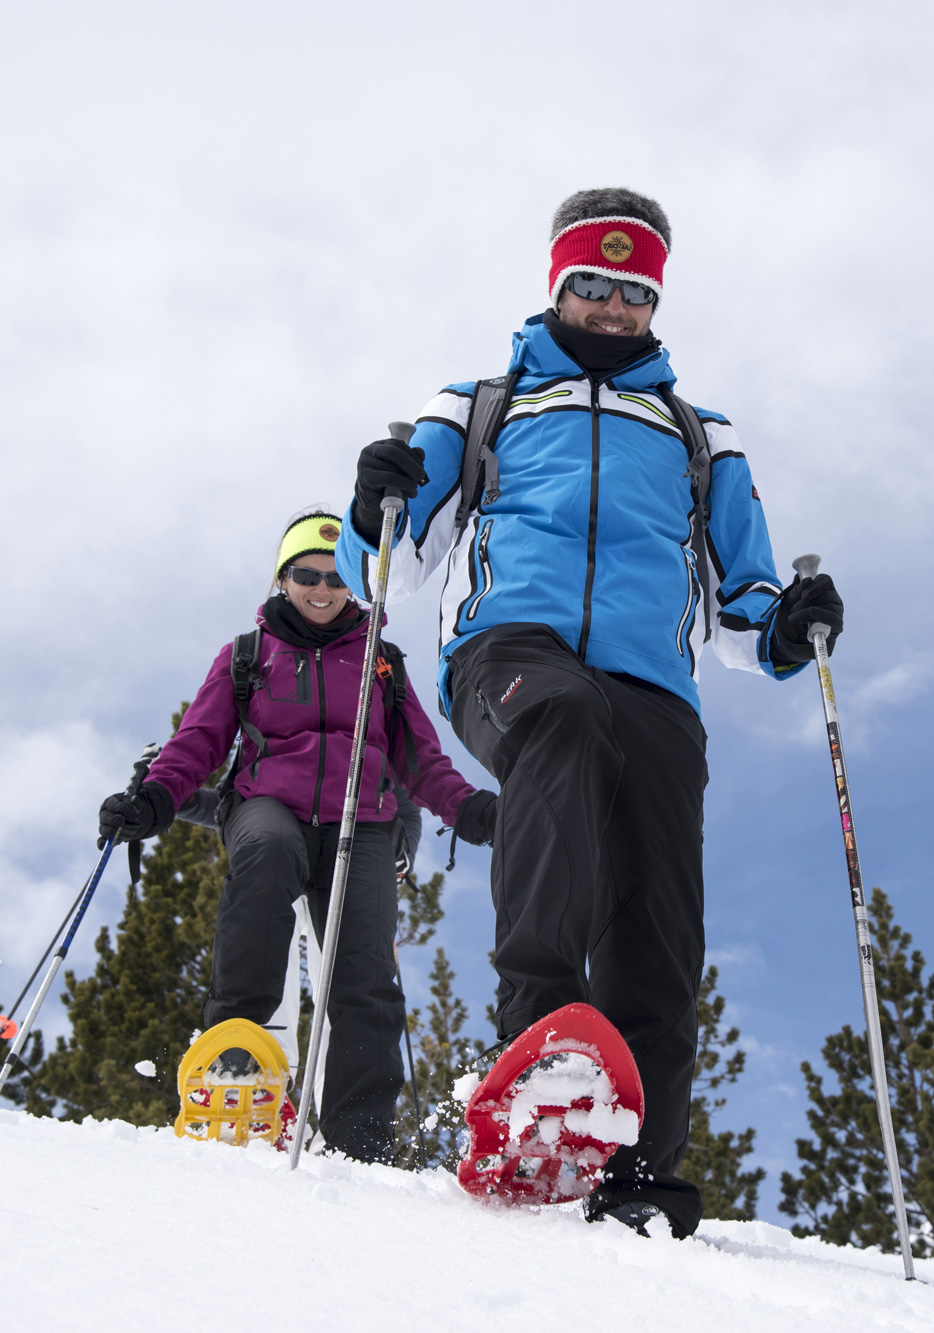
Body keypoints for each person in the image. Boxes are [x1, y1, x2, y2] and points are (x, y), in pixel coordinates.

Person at [336, 188, 844, 1235]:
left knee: (656, 913)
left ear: (653, 304)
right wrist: (368, 505)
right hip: (506, 652)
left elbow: (741, 599)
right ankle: (536, 1041)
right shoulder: (479, 404)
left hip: (653, 686)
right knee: (559, 724)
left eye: (633, 291)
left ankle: (639, 1169)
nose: (611, 306)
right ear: (557, 286)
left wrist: (789, 628)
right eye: (593, 285)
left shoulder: (700, 437)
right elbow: (388, 559)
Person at [98, 510, 498, 1162]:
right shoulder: (248, 655)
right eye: (306, 574)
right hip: (266, 804)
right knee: (266, 852)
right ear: (282, 578)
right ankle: (236, 1057)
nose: (322, 587)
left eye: (338, 575)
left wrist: (470, 810)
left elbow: (421, 762)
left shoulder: (381, 663)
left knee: (363, 972)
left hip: (360, 822)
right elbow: (198, 742)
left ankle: (357, 1138)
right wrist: (154, 800)